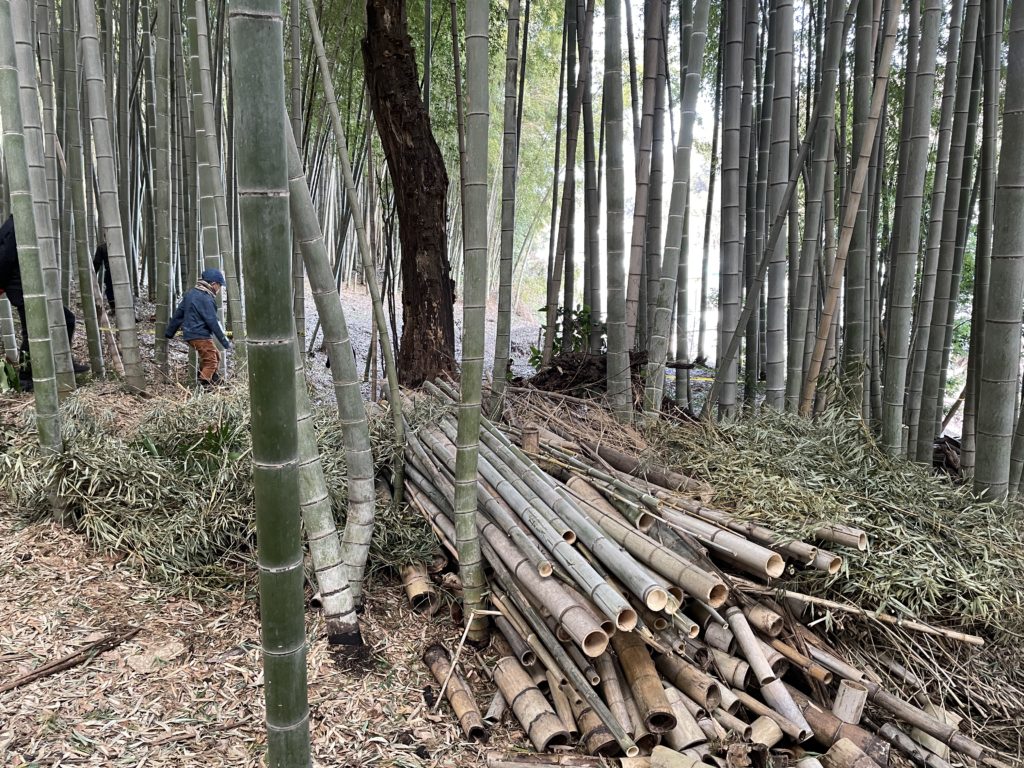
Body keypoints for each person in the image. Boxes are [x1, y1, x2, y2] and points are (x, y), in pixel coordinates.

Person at [0, 214, 90, 387]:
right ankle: (25, 377)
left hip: (33, 287)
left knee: (65, 320)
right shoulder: (15, 226)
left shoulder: (20, 223)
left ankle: (60, 362)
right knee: (33, 331)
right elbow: (5, 259)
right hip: (23, 288)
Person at [165, 267, 231, 387]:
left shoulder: (191, 294)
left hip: (190, 335)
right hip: (200, 335)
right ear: (214, 284)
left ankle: (213, 379)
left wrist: (170, 332)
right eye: (220, 285)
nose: (220, 289)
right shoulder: (206, 298)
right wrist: (224, 341)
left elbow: (179, 314)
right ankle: (203, 386)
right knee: (211, 361)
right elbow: (213, 322)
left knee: (215, 355)